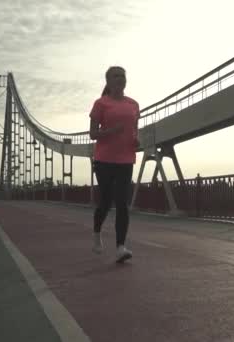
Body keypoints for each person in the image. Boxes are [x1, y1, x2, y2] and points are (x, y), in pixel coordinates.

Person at [89, 66, 139, 262]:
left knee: (122, 203)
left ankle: (121, 247)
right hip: (104, 159)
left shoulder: (133, 104)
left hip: (126, 159)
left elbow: (135, 130)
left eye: (123, 76)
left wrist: (136, 140)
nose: (120, 79)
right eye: (116, 76)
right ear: (108, 82)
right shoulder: (101, 103)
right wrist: (112, 131)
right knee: (106, 202)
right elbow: (93, 134)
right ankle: (96, 233)